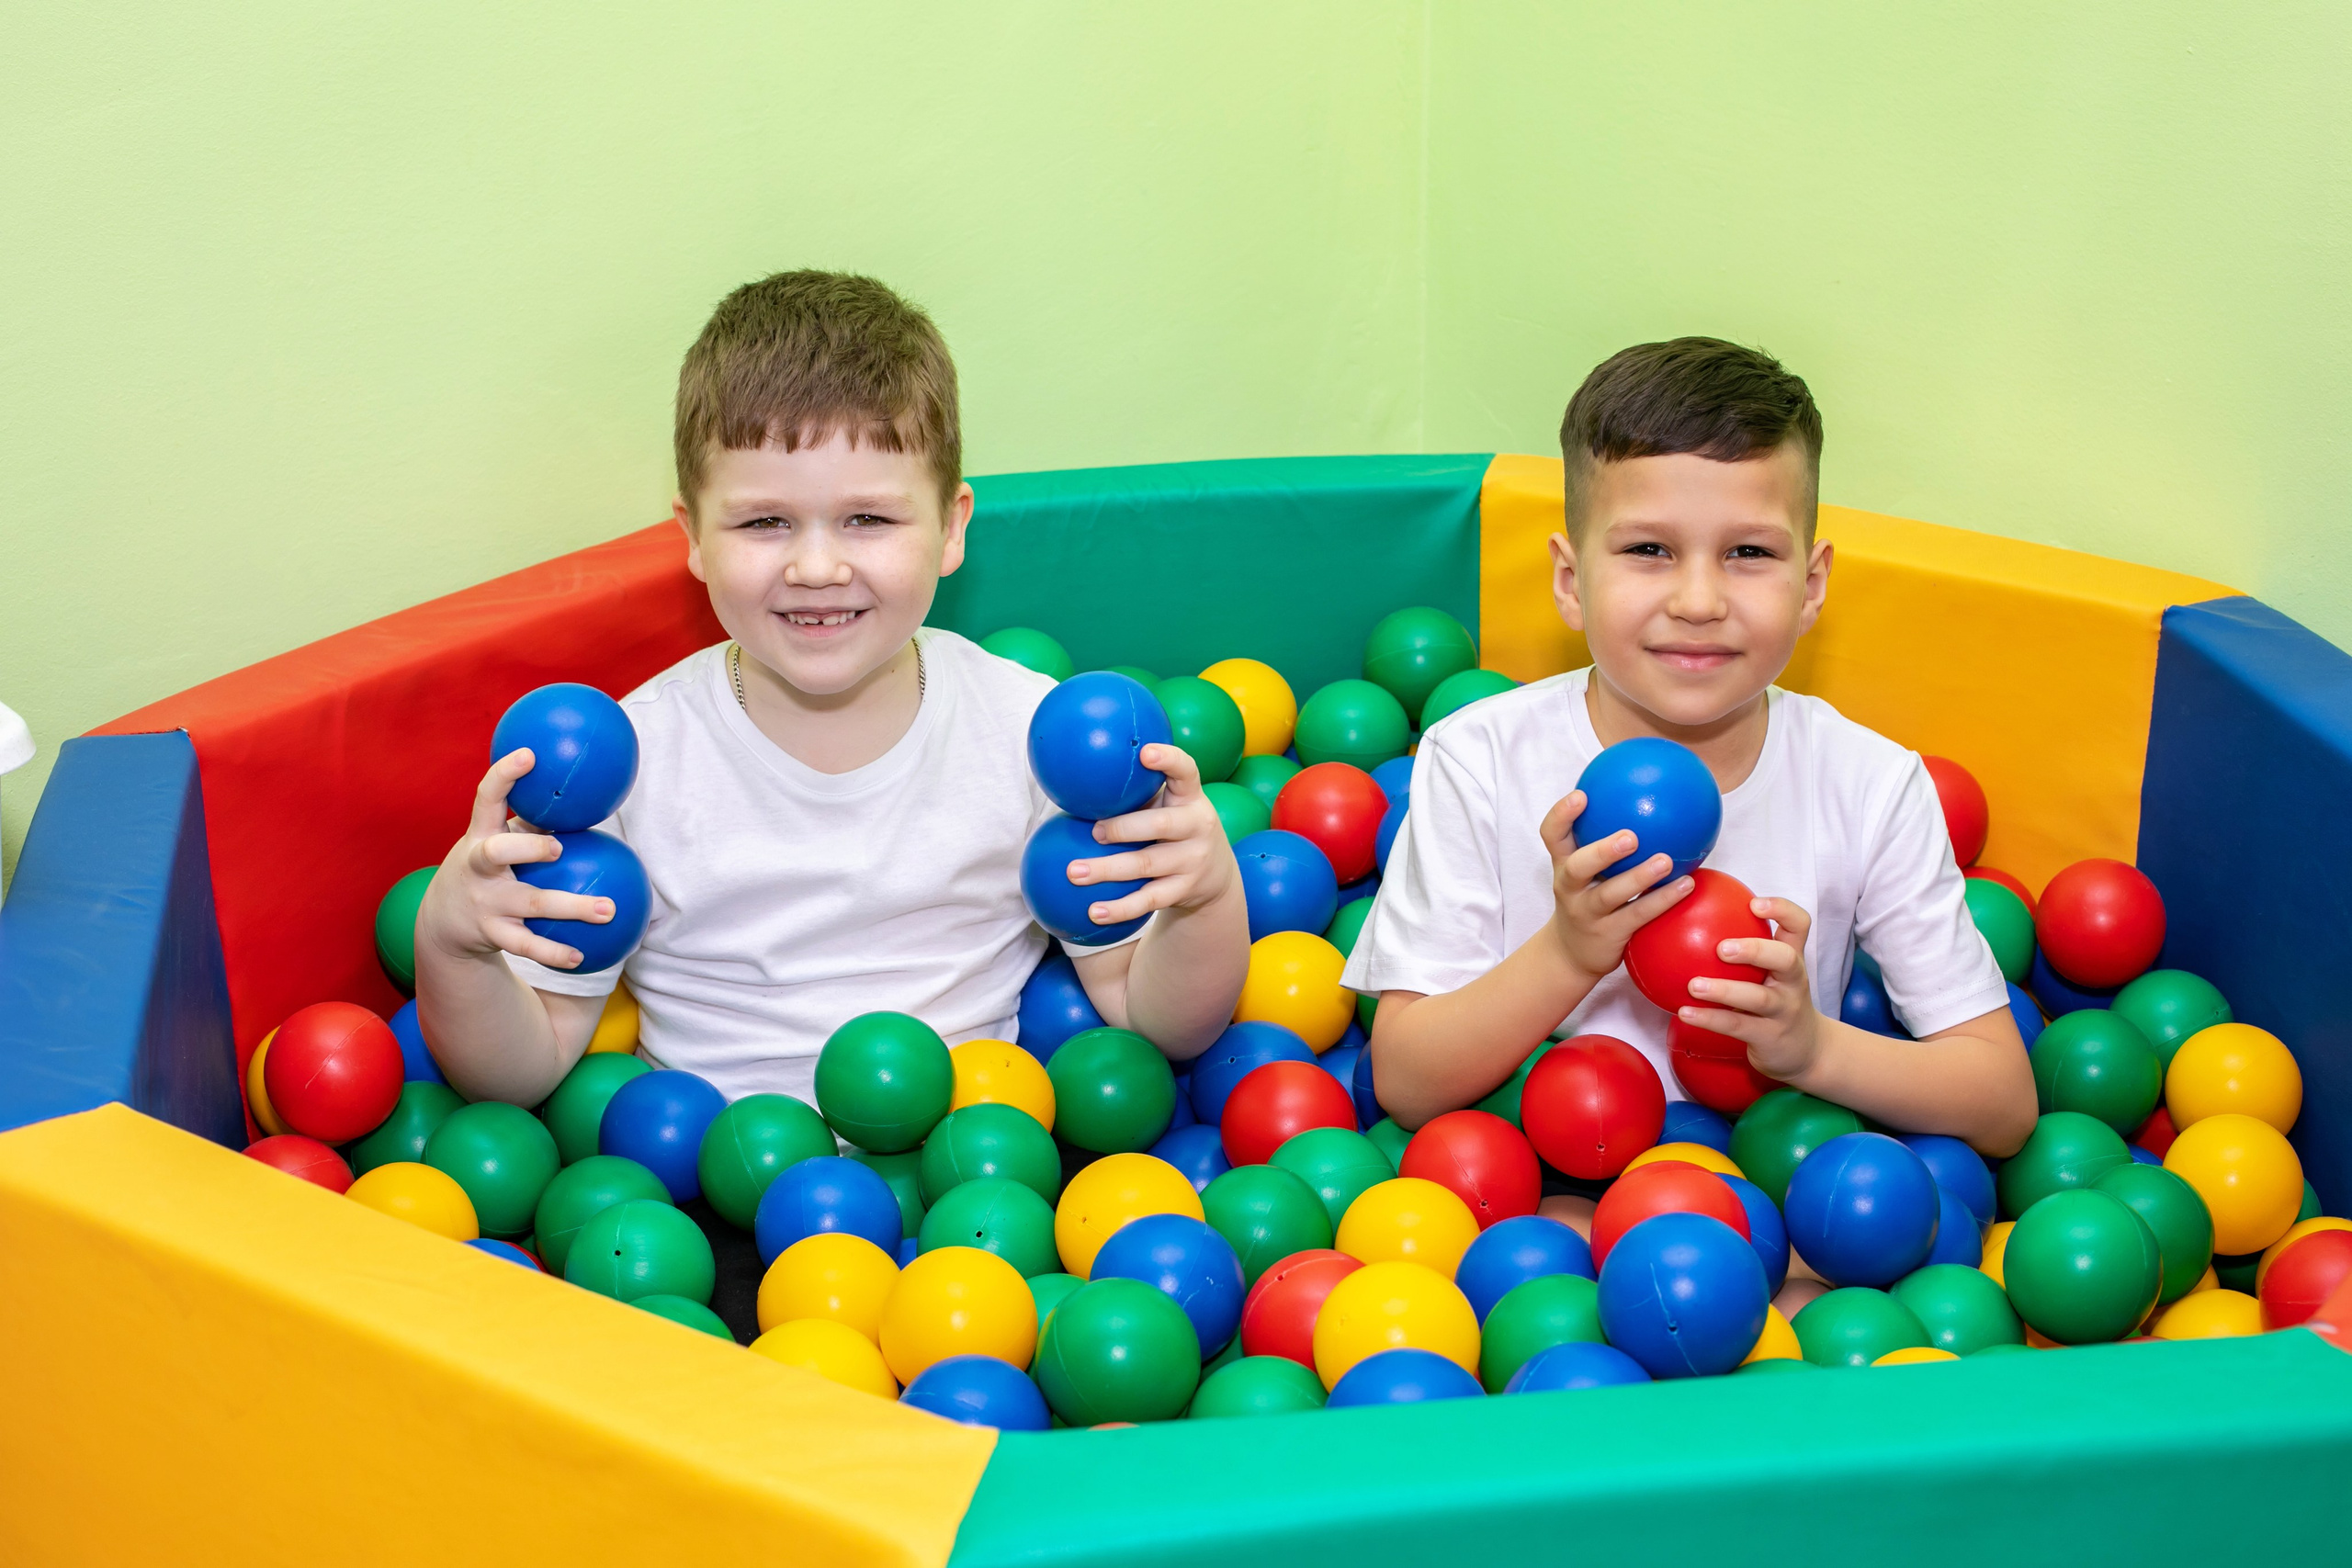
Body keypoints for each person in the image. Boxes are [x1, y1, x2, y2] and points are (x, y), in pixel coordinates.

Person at [413, 271, 1249, 1109]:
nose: (817, 567)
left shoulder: (1035, 738)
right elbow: (520, 1072)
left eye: (869, 519)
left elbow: (1156, 1018)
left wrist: (1207, 892)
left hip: (975, 1182)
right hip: (711, 1196)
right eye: (764, 521)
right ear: (693, 537)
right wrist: (452, 943)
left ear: (953, 527)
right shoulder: (623, 764)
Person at [1348, 338, 2036, 1243]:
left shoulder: (1869, 783)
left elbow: (2002, 1101)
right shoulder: (1478, 757)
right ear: (1569, 580)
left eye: (1748, 551)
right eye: (1648, 550)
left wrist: (1812, 1048)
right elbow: (1404, 1077)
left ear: (1811, 584)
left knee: (1817, 1280)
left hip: (1772, 1188)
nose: (1700, 599)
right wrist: (1571, 949)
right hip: (1524, 1189)